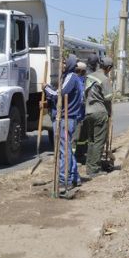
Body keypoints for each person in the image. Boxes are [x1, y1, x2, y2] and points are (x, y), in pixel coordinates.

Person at [44, 54, 84, 189]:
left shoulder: (71, 78)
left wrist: (46, 88)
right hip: (68, 118)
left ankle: (63, 179)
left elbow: (60, 94)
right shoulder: (72, 78)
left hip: (65, 119)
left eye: (63, 63)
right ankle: (74, 176)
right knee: (66, 149)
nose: (61, 66)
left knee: (63, 151)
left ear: (69, 65)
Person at [83, 56, 113, 177]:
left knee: (91, 141)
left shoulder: (89, 76)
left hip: (88, 112)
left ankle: (89, 167)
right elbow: (108, 98)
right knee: (99, 142)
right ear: (109, 68)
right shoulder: (104, 79)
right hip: (100, 112)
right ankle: (94, 170)